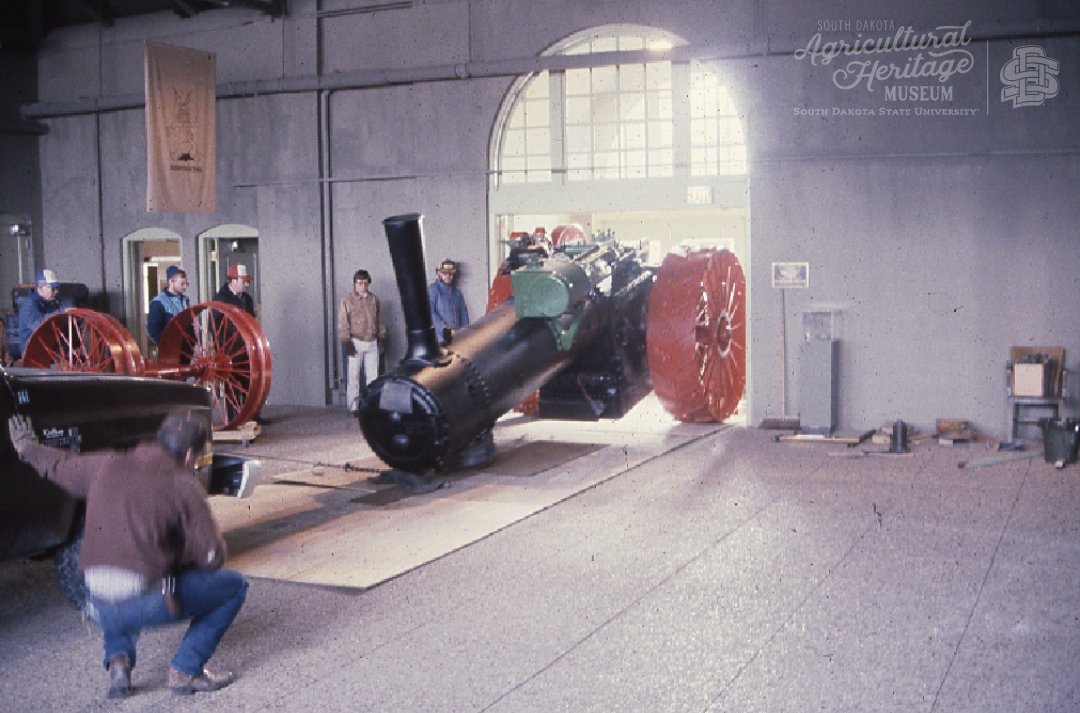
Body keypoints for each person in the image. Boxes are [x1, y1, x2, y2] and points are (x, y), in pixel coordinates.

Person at [6, 410, 247, 700]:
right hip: (141, 601)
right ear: (188, 457)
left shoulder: (105, 464)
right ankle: (186, 669)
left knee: (117, 563)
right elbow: (211, 558)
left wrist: (27, 447)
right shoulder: (184, 486)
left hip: (95, 601)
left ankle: (118, 662)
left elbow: (59, 464)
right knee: (233, 587)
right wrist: (183, 555)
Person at [338, 269, 387, 415]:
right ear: (354, 284)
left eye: (365, 283)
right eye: (360, 283)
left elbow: (379, 320)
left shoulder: (374, 299)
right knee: (353, 376)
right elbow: (343, 322)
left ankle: (372, 405)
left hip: (371, 341)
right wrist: (346, 341)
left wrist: (382, 336)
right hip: (355, 341)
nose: (363, 286)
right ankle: (353, 407)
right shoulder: (347, 300)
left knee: (373, 376)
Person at [18, 269, 63, 356]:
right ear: (41, 288)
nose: (56, 291)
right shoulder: (29, 305)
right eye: (53, 288)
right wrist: (61, 313)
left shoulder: (51, 301)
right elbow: (39, 325)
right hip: (32, 353)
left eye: (57, 288)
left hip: (47, 348)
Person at [428, 258, 469, 343]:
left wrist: (465, 333)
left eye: (450, 273)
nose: (448, 276)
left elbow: (463, 314)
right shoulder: (433, 289)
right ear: (438, 273)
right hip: (439, 340)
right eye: (444, 273)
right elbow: (430, 312)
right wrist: (443, 329)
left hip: (457, 339)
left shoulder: (457, 294)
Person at [147, 265, 190, 345]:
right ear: (171, 281)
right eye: (182, 283)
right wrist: (166, 345)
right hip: (169, 351)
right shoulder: (159, 302)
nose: (185, 287)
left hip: (186, 349)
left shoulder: (185, 301)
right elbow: (152, 329)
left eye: (186, 284)